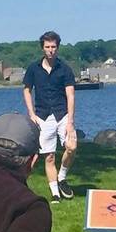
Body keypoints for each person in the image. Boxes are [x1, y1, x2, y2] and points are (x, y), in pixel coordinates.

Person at [22, 30, 76, 204]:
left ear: (58, 48)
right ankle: (55, 194)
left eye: (53, 47)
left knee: (71, 147)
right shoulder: (33, 69)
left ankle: (62, 177)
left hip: (62, 114)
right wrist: (31, 114)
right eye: (47, 47)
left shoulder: (65, 69)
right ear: (42, 48)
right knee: (49, 156)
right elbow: (27, 90)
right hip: (43, 116)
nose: (51, 50)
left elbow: (71, 96)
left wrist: (70, 122)